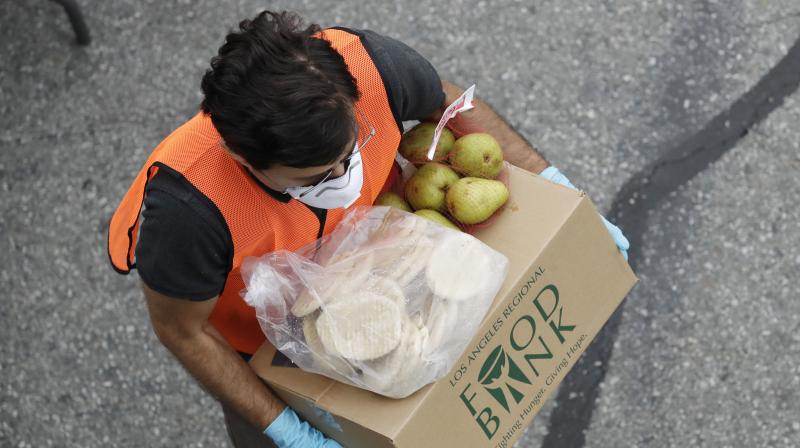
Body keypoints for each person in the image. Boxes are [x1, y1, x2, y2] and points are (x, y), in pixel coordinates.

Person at [107, 10, 629, 448]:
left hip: (388, 276)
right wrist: (285, 429)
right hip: (277, 346)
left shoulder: (373, 65)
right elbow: (182, 329)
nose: (345, 179)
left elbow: (447, 105)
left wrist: (561, 193)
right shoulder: (189, 214)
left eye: (349, 151)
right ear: (243, 157)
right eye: (316, 176)